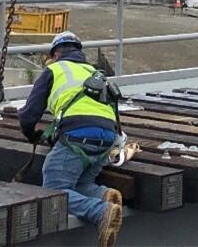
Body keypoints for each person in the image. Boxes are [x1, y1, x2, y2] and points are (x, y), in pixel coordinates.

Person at [18, 31, 123, 247]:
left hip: (78, 136)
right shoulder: (94, 72)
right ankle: (104, 195)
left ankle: (101, 211)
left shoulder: (53, 70)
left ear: (56, 53)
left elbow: (28, 116)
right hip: (107, 139)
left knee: (53, 190)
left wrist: (32, 135)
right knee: (80, 182)